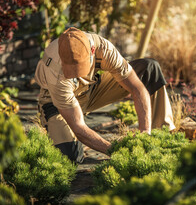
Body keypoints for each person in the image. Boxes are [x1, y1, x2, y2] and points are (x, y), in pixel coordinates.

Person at [34, 27, 175, 163]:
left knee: (149, 68)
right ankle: (53, 130)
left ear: (92, 50)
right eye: (72, 70)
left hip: (90, 89)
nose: (76, 74)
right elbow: (78, 126)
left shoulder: (104, 48)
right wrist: (116, 150)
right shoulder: (54, 70)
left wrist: (145, 132)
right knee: (70, 156)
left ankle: (163, 135)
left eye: (80, 68)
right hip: (57, 103)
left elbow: (137, 88)